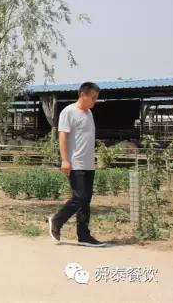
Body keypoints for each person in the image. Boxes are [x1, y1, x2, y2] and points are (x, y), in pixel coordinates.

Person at [48, 82, 106, 247]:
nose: (94, 101)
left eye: (96, 98)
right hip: (75, 163)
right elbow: (63, 137)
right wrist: (65, 160)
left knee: (85, 200)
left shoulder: (89, 114)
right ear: (82, 95)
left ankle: (84, 235)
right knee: (79, 197)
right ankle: (57, 220)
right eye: (93, 97)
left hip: (88, 164)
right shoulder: (69, 112)